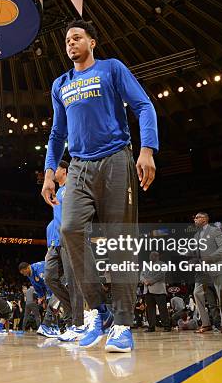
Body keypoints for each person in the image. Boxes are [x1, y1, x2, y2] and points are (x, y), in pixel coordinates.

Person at [41, 19, 158, 353]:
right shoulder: (60, 84)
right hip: (78, 165)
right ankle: (97, 309)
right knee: (70, 230)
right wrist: (50, 173)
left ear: (93, 41)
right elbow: (56, 134)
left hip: (116, 158)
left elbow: (144, 105)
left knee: (121, 239)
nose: (71, 43)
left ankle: (122, 323)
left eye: (77, 38)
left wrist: (147, 149)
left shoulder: (111, 68)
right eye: (67, 40)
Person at [43, 160, 86, 342]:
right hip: (55, 243)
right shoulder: (57, 191)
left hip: (69, 239)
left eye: (56, 169)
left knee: (72, 282)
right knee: (49, 278)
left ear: (64, 170)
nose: (53, 173)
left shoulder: (72, 187)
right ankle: (71, 309)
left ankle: (77, 324)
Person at [191, 213, 222, 333]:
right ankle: (206, 323)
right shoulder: (196, 235)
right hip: (202, 269)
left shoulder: (214, 230)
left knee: (221, 293)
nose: (195, 219)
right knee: (197, 293)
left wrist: (210, 257)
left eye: (197, 217)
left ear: (204, 219)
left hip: (216, 265)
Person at [18, 261, 59, 337]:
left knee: (53, 305)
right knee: (52, 308)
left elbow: (47, 281)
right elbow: (37, 287)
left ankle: (52, 327)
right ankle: (55, 328)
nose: (23, 274)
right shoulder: (29, 275)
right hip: (50, 286)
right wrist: (42, 298)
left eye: (23, 272)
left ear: (27, 268)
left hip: (57, 280)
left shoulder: (39, 269)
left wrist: (49, 296)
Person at [140, 252, 171, 332]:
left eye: (153, 255)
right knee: (150, 310)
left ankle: (167, 326)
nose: (151, 257)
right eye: (150, 255)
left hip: (159, 290)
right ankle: (151, 326)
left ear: (157, 256)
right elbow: (141, 275)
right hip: (147, 290)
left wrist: (150, 281)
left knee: (162, 309)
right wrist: (144, 281)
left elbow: (160, 275)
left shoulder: (162, 264)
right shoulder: (146, 264)